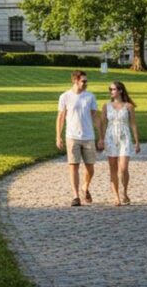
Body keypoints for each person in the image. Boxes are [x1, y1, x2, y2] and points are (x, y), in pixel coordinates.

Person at [55, 70, 102, 206]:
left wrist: (101, 137)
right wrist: (58, 136)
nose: (86, 83)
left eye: (86, 81)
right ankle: (76, 196)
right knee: (73, 166)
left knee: (90, 168)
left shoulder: (90, 97)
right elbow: (60, 118)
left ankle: (85, 186)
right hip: (72, 137)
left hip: (88, 137)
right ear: (75, 80)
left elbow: (96, 116)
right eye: (84, 81)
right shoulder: (65, 96)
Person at [98, 80, 140, 205]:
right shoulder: (106, 106)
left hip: (124, 138)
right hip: (110, 137)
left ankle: (124, 192)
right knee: (113, 168)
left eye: (114, 89)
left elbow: (133, 124)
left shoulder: (129, 106)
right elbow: (102, 123)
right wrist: (101, 139)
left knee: (123, 168)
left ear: (120, 90)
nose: (111, 92)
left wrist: (137, 141)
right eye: (110, 90)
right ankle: (116, 196)